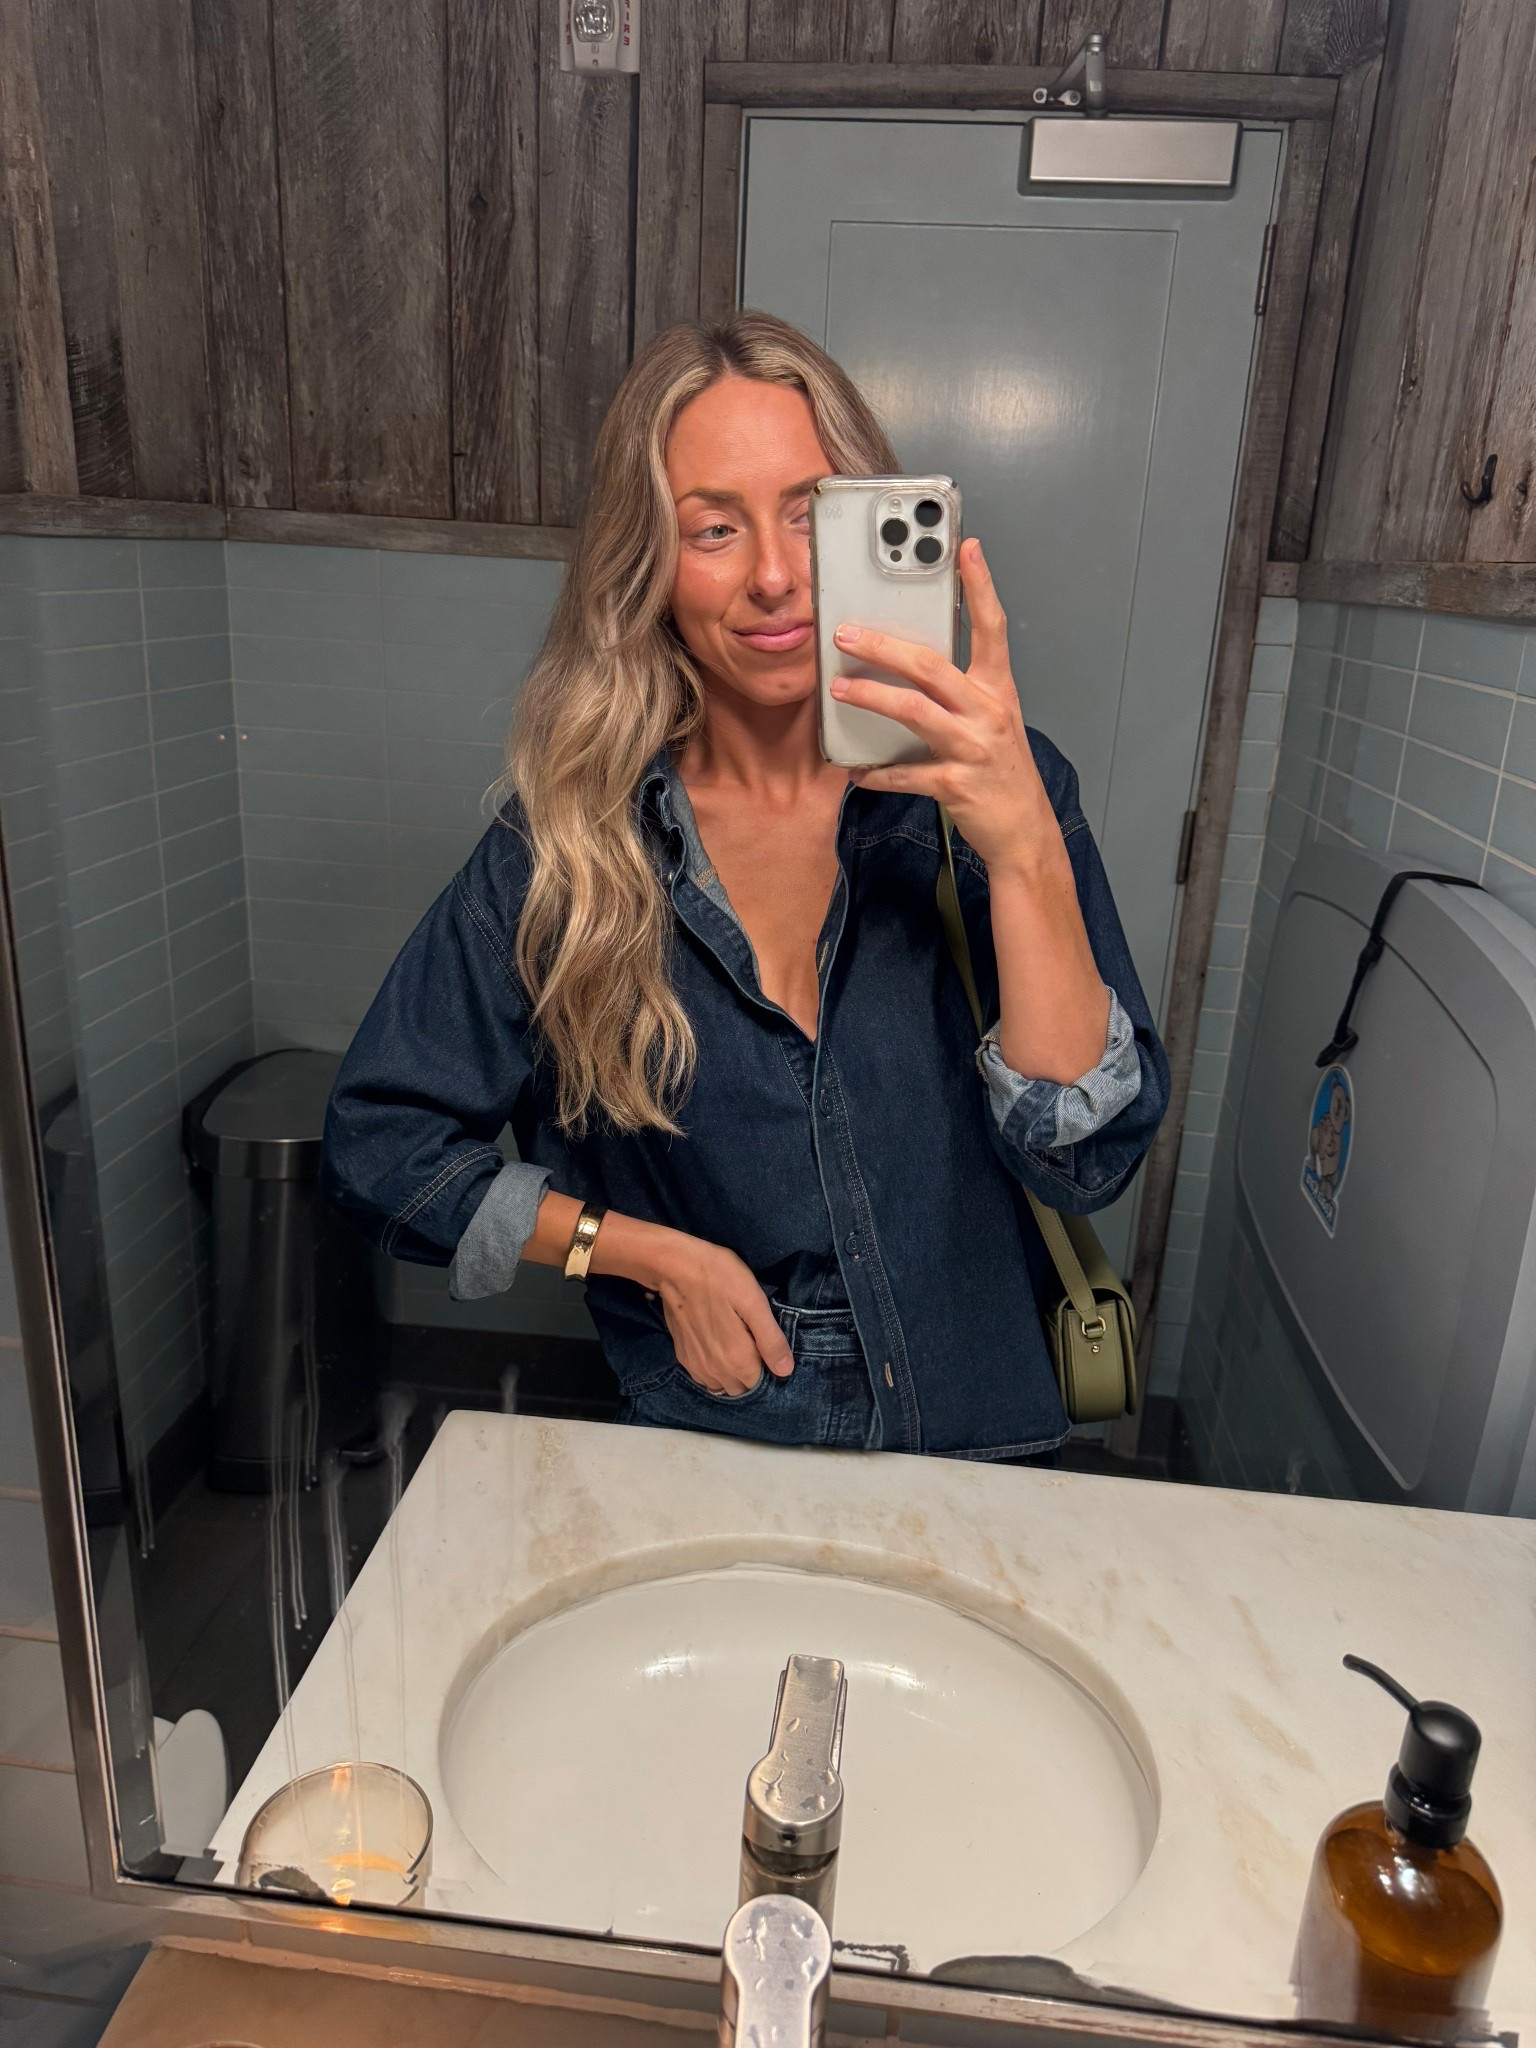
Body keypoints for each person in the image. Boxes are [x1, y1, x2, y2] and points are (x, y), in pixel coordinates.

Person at [320, 311, 1168, 1460]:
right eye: (713, 528)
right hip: (709, 1440)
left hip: (984, 1436)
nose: (773, 576)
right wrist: (634, 1251)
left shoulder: (993, 794)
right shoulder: (574, 845)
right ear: (650, 565)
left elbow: (1085, 1160)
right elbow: (380, 1147)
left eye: (811, 515)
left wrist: (1024, 850)